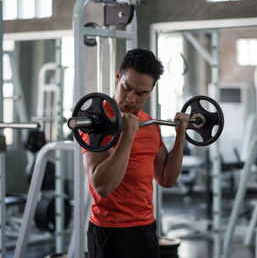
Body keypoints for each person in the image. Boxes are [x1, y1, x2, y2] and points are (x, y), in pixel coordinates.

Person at [81, 48, 190, 258]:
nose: (130, 99)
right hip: (109, 233)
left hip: (146, 228)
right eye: (126, 88)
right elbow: (102, 186)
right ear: (117, 77)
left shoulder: (150, 124)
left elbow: (166, 179)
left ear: (151, 91)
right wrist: (128, 135)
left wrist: (180, 136)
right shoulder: (95, 124)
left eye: (141, 93)